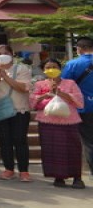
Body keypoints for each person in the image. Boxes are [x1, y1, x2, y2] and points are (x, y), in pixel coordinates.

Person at [30, 59, 85, 188]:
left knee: (73, 149)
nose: (51, 69)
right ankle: (58, 177)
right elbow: (33, 103)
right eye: (48, 67)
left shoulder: (70, 83)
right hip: (47, 122)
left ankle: (77, 178)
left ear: (60, 69)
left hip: (69, 121)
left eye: (54, 67)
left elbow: (79, 101)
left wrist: (60, 93)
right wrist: (45, 97)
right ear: (44, 70)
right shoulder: (40, 84)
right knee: (52, 150)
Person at [0, 44, 33, 181]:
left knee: (20, 140)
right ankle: (8, 169)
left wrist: (6, 77)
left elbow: (24, 88)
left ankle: (24, 171)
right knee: (4, 140)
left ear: (12, 54)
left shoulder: (22, 69)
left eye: (6, 52)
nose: (2, 55)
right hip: (1, 111)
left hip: (20, 110)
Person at [60, 37, 93, 177]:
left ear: (79, 49)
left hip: (83, 107)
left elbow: (64, 86)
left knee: (88, 141)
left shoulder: (72, 64)